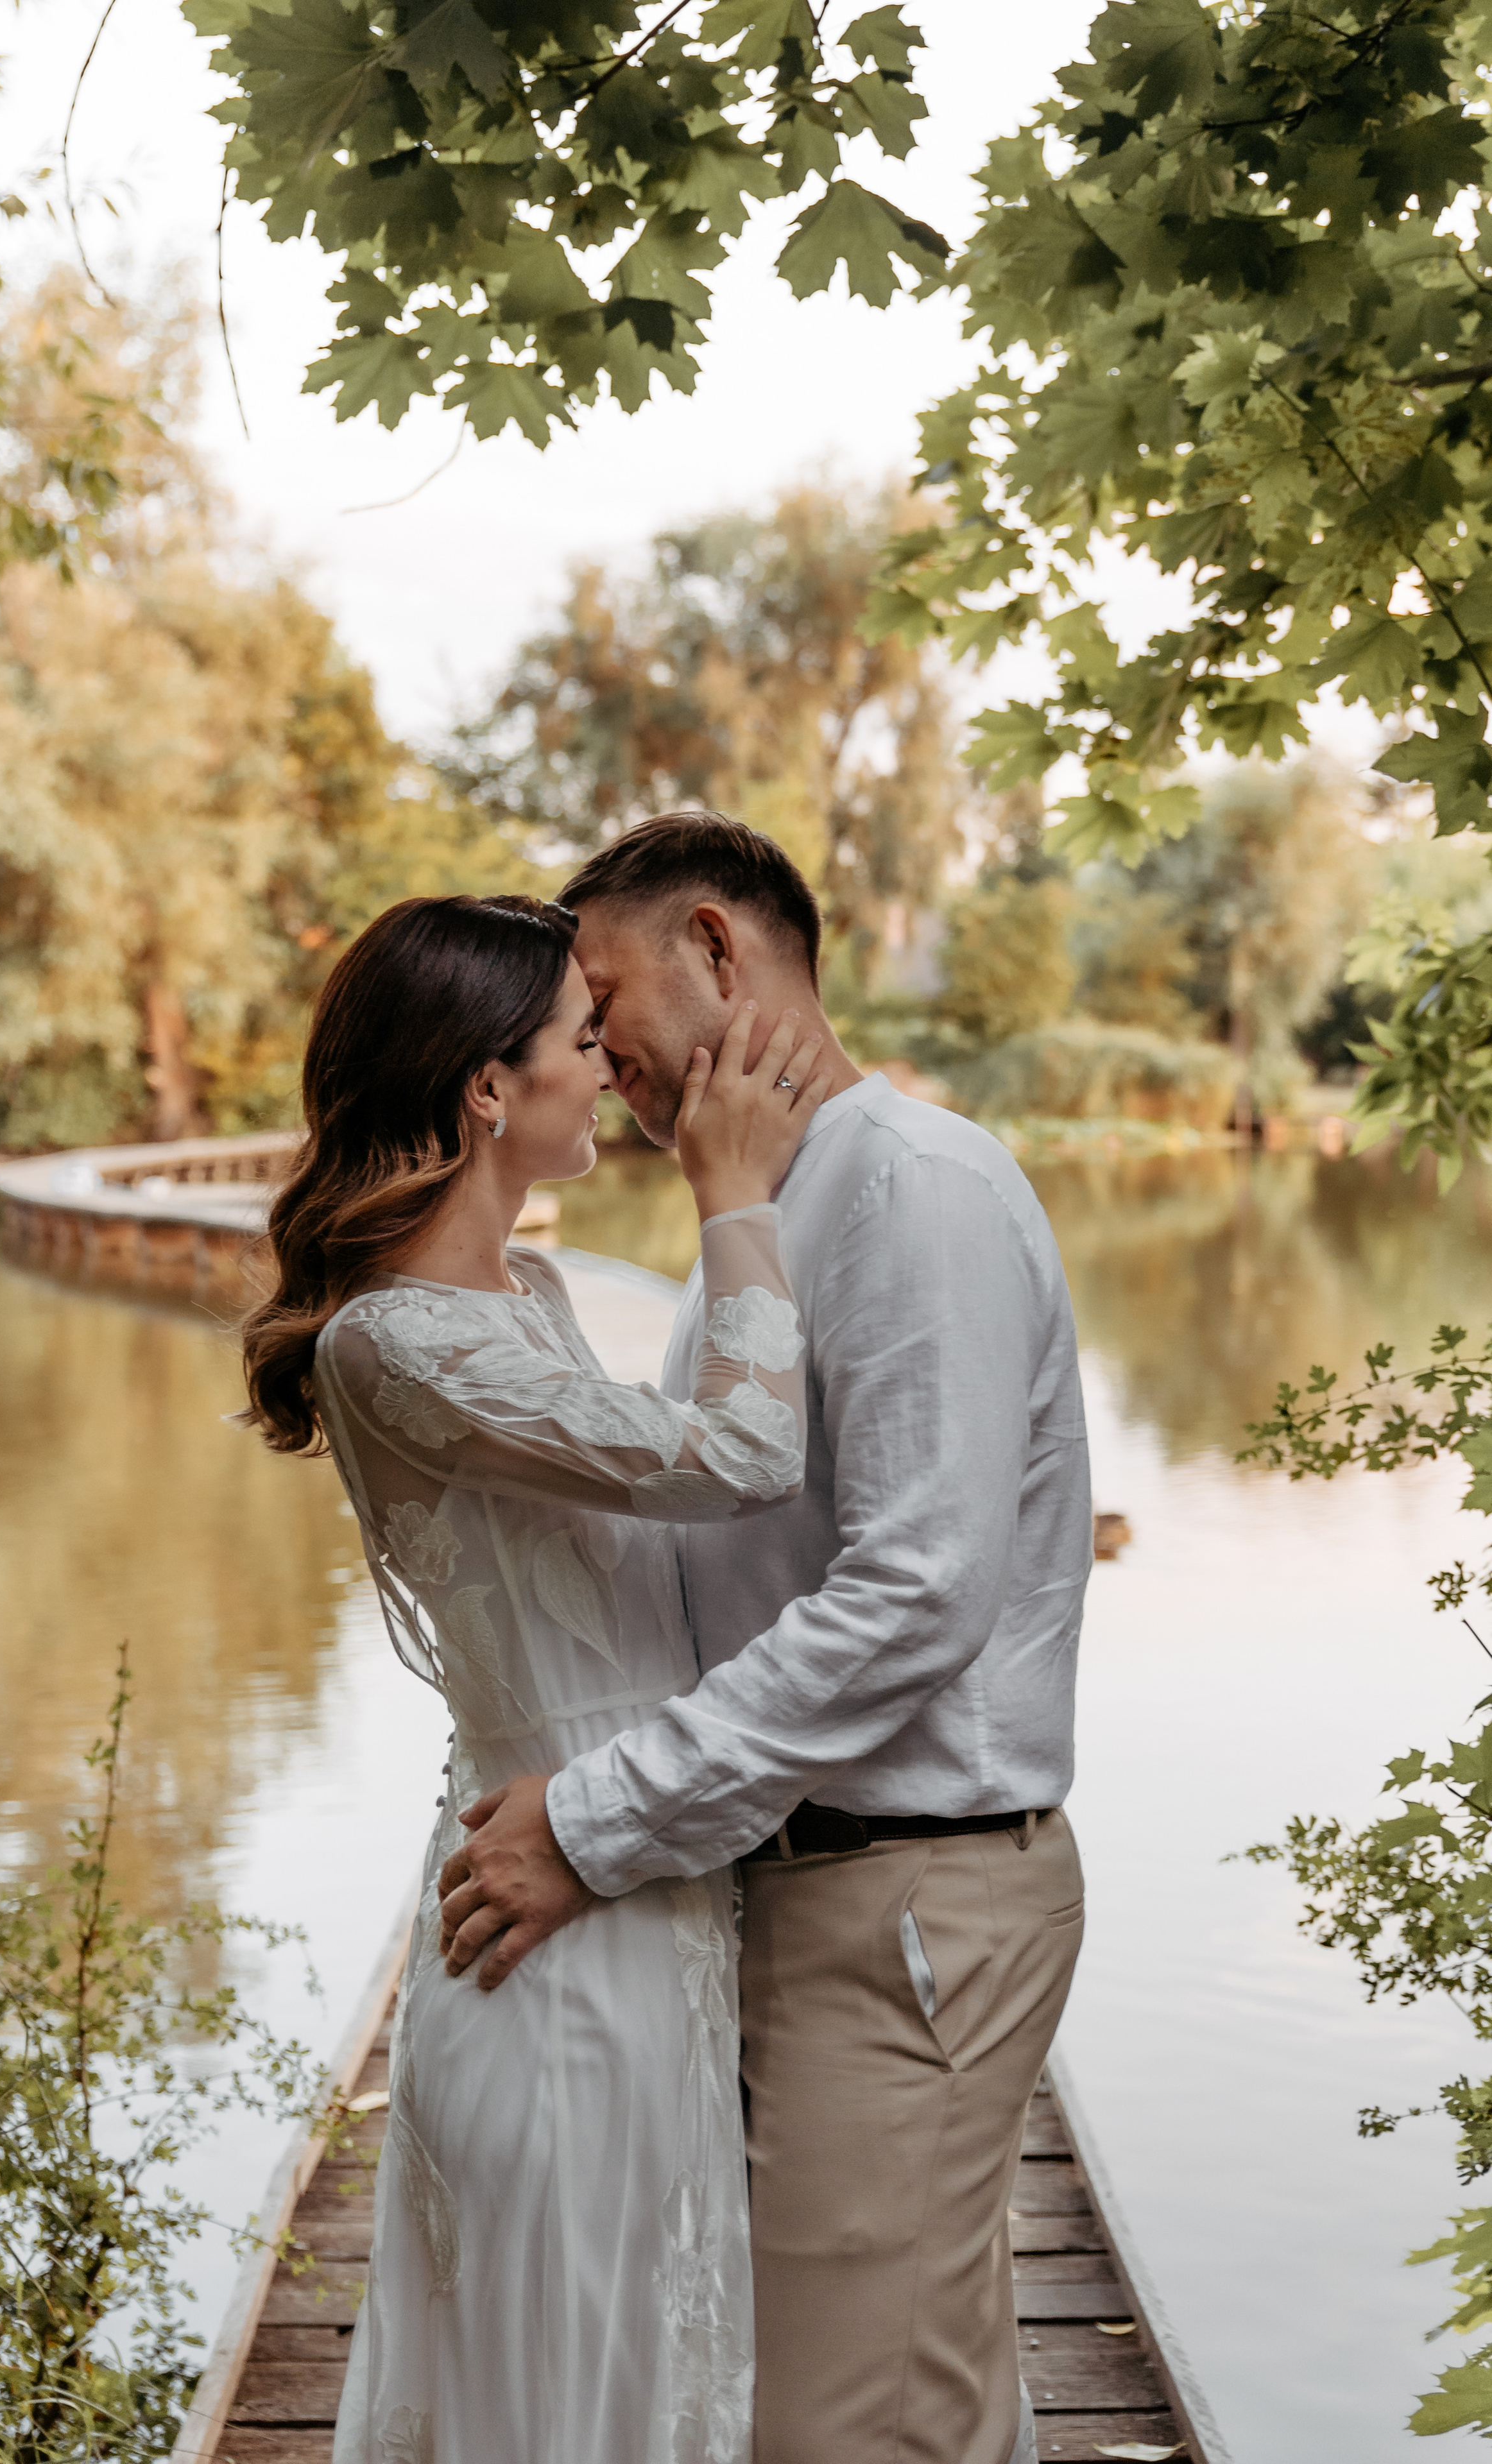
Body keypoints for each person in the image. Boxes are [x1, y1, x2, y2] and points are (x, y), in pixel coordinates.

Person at [438, 816, 1093, 2464]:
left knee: (843, 2430)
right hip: (795, 1890)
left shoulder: (912, 1191)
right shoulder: (769, 1206)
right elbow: (708, 1567)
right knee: (894, 2400)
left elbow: (918, 1590)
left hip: (900, 1900)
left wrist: (593, 1822)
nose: (596, 1052)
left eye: (601, 1003)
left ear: (716, 951)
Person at [241, 890, 832, 2464]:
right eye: (584, 1037)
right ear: (486, 1088)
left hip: (632, 1870)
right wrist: (731, 1194)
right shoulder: (394, 1347)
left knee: (649, 2363)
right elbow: (744, 1453)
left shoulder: (535, 1300)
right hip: (547, 1920)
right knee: (568, 2382)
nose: (614, 1064)